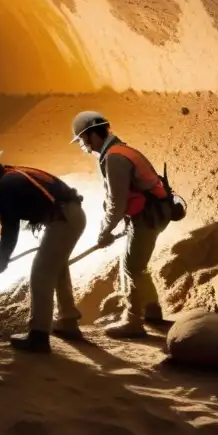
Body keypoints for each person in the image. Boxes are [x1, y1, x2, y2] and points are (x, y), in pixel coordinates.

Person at [0, 145, 86, 353]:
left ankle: (38, 336)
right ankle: (68, 322)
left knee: (41, 273)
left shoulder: (6, 188)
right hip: (72, 215)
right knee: (57, 267)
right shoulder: (15, 174)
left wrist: (0, 259)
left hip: (63, 219)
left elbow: (10, 229)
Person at [71, 110, 172, 338]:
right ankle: (152, 311)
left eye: (81, 140)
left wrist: (104, 231)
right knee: (136, 263)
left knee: (132, 266)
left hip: (148, 215)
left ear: (91, 135)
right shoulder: (120, 150)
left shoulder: (114, 158)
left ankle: (133, 321)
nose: (81, 145)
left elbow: (117, 203)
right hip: (153, 212)